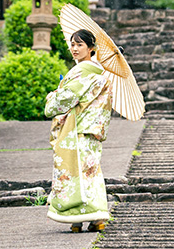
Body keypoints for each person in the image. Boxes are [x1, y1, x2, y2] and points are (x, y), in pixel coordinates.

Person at [44, 29, 113, 232]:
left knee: (73, 171)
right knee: (89, 172)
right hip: (90, 128)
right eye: (72, 44)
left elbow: (64, 100)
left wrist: (52, 96)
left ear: (91, 48)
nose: (74, 48)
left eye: (80, 44)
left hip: (76, 129)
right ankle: (94, 217)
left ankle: (76, 219)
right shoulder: (99, 73)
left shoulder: (82, 72)